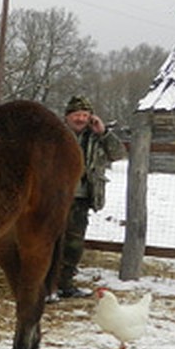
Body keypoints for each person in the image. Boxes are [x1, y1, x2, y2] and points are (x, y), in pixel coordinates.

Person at [54, 95, 126, 300]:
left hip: (82, 197)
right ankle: (45, 286)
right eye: (76, 114)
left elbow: (118, 154)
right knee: (50, 241)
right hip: (55, 197)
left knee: (74, 245)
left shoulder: (96, 136)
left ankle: (65, 284)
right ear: (67, 116)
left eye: (85, 115)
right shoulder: (55, 134)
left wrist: (103, 132)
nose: (80, 119)